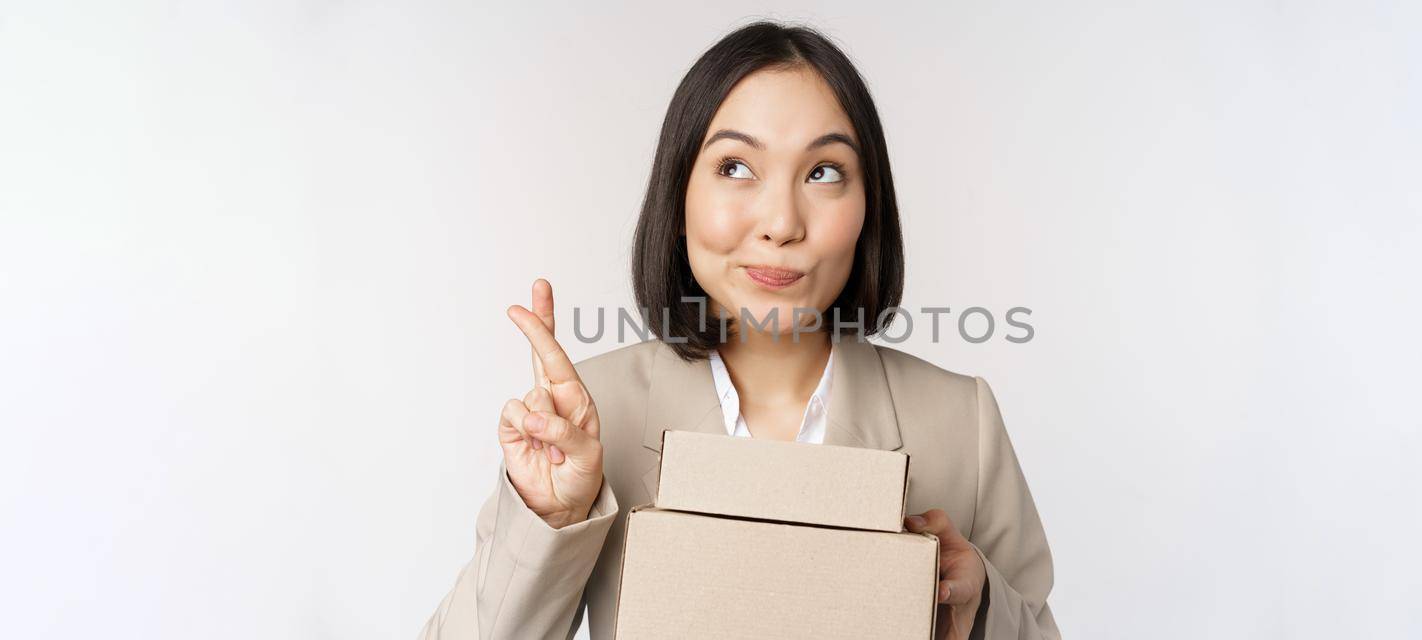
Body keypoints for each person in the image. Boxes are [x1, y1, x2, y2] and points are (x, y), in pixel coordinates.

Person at [418, 21, 1060, 640]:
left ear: (869, 208)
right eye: (735, 167)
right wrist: (549, 520)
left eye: (824, 172)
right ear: (679, 197)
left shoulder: (960, 421)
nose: (781, 222)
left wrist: (978, 609)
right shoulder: (595, 414)